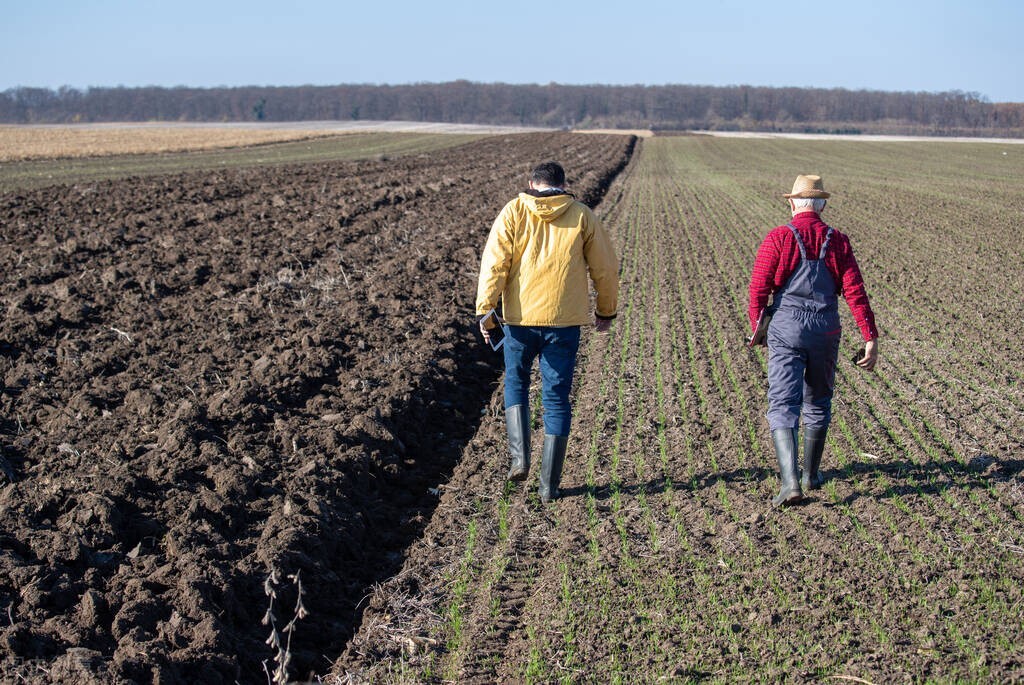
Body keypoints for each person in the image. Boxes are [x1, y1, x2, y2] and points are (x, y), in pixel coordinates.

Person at [476, 161, 619, 503]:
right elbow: (606, 268)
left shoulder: (513, 212)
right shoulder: (581, 214)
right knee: (556, 398)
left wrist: (486, 312)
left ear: (532, 183)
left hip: (520, 320)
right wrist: (606, 310)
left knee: (516, 382)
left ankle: (519, 458)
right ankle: (548, 486)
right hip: (564, 323)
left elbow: (494, 263)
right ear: (563, 184)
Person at [748, 174, 879, 507]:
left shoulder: (779, 237)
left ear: (793, 203)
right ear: (821, 205)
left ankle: (791, 483)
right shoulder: (838, 241)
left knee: (783, 403)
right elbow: (854, 291)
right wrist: (869, 336)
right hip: (826, 329)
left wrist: (758, 328)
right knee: (818, 400)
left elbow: (759, 288)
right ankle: (812, 474)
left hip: (787, 329)